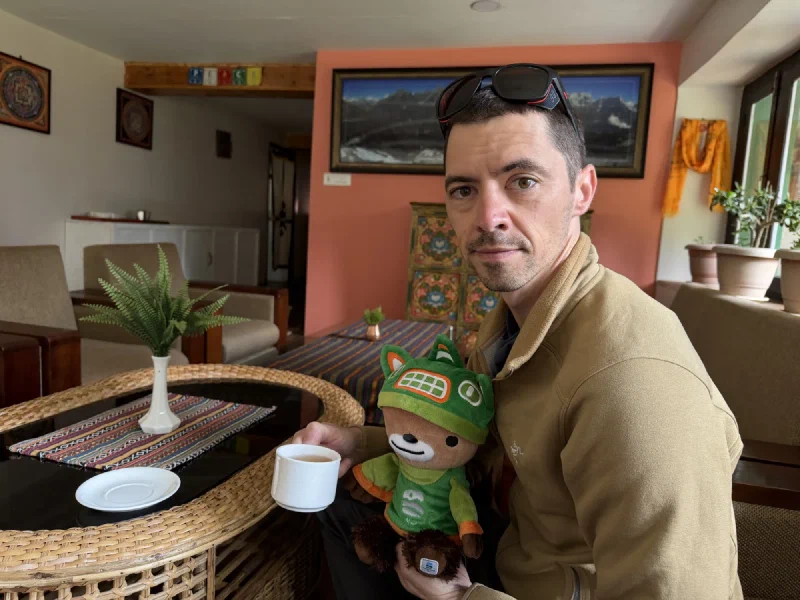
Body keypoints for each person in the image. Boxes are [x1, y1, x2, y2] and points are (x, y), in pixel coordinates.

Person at [293, 63, 743, 600]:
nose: (488, 215)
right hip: (503, 546)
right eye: (464, 189)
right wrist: (362, 441)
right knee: (339, 504)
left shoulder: (634, 385)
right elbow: (493, 448)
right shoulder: (510, 322)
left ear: (582, 191)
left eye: (522, 181)